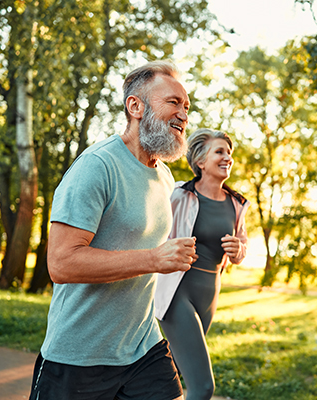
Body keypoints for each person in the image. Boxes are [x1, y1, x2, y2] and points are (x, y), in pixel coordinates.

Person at [29, 60, 197, 400]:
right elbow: (61, 263)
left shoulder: (163, 177)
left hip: (142, 346)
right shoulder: (97, 167)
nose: (183, 114)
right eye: (173, 103)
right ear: (135, 106)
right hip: (79, 355)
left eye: (187, 107)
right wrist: (152, 259)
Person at [155, 128, 250, 400]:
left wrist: (238, 249)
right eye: (219, 152)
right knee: (203, 387)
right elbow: (153, 233)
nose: (227, 158)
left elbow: (242, 246)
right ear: (200, 161)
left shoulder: (236, 204)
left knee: (171, 375)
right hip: (177, 292)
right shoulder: (177, 195)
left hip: (209, 294)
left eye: (229, 153)